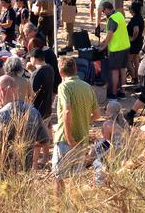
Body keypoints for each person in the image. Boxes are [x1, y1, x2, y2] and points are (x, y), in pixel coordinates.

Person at [53, 55, 100, 190]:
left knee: (58, 177)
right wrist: (84, 119)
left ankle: (59, 208)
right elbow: (97, 115)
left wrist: (69, 137)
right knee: (76, 178)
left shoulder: (64, 87)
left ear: (61, 72)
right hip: (82, 139)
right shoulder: (87, 87)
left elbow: (67, 111)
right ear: (76, 69)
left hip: (65, 138)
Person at [0, 75, 51, 174]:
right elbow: (44, 141)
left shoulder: (0, 115)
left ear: (2, 91)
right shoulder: (33, 111)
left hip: (1, 172)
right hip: (24, 171)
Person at [97, 1, 130, 100]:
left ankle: (114, 93)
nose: (103, 13)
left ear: (107, 9)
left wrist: (103, 46)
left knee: (114, 71)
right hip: (125, 46)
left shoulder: (112, 20)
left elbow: (110, 34)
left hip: (116, 49)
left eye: (103, 11)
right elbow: (116, 32)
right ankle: (122, 92)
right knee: (123, 70)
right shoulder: (119, 15)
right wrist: (104, 41)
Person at [30, 48, 55, 121]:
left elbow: (31, 93)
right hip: (47, 107)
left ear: (34, 58)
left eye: (30, 58)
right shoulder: (50, 68)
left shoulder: (36, 73)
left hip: (37, 110)